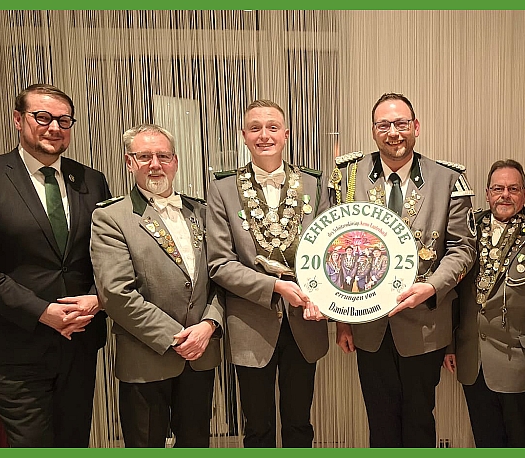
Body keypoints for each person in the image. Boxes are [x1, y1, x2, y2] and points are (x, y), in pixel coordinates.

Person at [0, 83, 111, 447]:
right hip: (14, 345)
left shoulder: (91, 180)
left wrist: (97, 298)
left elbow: (110, 254)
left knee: (73, 443)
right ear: (18, 120)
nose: (54, 127)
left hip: (79, 341)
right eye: (43, 117)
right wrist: (42, 312)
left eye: (64, 120)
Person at [329, 92, 476, 447]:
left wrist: (433, 286)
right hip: (368, 324)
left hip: (425, 323)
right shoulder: (349, 176)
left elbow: (462, 248)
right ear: (373, 130)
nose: (393, 132)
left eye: (401, 124)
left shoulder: (447, 179)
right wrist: (342, 320)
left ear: (416, 127)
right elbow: (333, 248)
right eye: (384, 125)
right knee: (380, 422)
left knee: (419, 421)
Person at [90, 124, 223, 447]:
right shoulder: (111, 217)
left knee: (196, 445)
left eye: (163, 156)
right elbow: (116, 293)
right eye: (144, 156)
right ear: (129, 162)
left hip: (200, 354)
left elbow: (222, 275)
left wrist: (209, 325)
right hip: (145, 358)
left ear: (175, 161)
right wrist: (177, 337)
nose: (155, 164)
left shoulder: (203, 212)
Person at [207, 99, 329, 448]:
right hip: (251, 322)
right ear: (243, 136)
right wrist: (275, 286)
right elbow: (220, 263)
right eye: (255, 128)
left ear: (286, 134)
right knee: (257, 428)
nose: (264, 135)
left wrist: (321, 296)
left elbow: (328, 251)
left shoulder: (313, 183)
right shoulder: (223, 188)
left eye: (272, 127)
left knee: (299, 424)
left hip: (304, 319)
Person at [443, 159, 525, 447]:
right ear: (487, 194)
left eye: (513, 188)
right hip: (473, 359)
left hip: (521, 363)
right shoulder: (468, 228)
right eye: (498, 189)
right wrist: (450, 345)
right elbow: (454, 295)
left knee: (520, 442)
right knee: (486, 441)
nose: (505, 195)